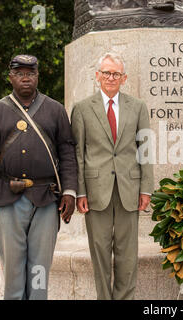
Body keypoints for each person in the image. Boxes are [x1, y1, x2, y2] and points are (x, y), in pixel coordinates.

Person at [0, 54, 78, 300]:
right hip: (8, 197)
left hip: (45, 197)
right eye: (19, 73)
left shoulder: (55, 110)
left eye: (30, 73)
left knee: (40, 264)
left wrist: (70, 191)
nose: (25, 78)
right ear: (10, 77)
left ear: (37, 76)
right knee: (12, 264)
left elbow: (67, 152)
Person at [71, 53, 154, 300]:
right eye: (106, 72)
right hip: (96, 192)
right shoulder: (82, 109)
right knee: (100, 253)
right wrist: (80, 191)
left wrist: (146, 189)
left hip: (130, 189)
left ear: (124, 78)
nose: (110, 77)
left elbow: (145, 150)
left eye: (116, 73)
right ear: (97, 76)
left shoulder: (138, 107)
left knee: (128, 254)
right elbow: (78, 153)